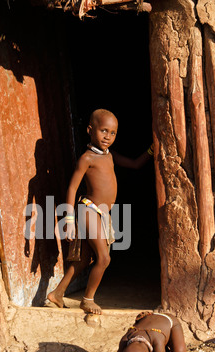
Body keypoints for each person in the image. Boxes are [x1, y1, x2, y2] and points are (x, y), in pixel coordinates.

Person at [47, 109, 153, 315]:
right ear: (90, 130)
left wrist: (151, 151)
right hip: (88, 210)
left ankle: (57, 294)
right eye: (103, 130)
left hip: (102, 214)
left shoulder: (110, 156)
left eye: (113, 133)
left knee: (84, 260)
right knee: (104, 258)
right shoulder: (87, 159)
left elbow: (134, 164)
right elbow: (72, 188)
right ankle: (88, 300)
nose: (108, 136)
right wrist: (69, 221)